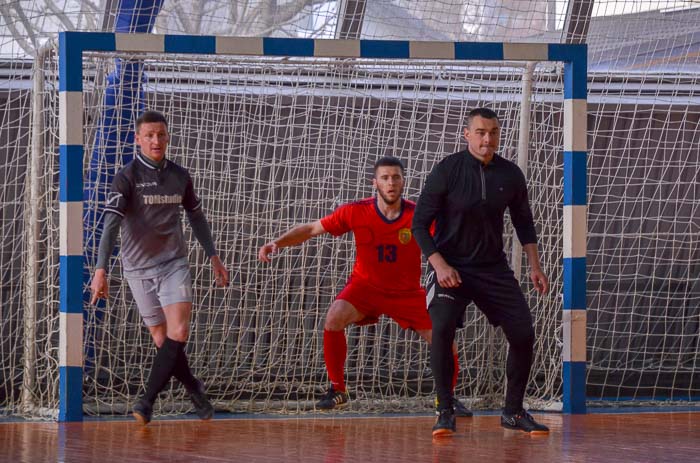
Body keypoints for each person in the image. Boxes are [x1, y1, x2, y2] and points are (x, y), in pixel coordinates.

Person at [258, 156, 470, 415]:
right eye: (385, 178)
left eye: (395, 177)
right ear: (375, 182)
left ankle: (446, 399)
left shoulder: (419, 215)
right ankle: (338, 390)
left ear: (404, 181)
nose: (390, 183)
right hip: (365, 288)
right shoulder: (355, 211)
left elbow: (451, 239)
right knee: (334, 317)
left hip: (407, 293)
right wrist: (277, 243)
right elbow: (313, 228)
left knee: (446, 341)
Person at [412, 107, 550, 437]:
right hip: (451, 268)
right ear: (467, 135)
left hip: (492, 269)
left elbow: (524, 224)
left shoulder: (511, 175)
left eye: (493, 132)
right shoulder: (448, 170)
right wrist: (440, 265)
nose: (488, 138)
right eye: (481, 132)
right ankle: (444, 410)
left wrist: (535, 266)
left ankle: (513, 412)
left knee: (523, 333)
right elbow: (419, 225)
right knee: (442, 326)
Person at [90, 110, 230, 425]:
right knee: (161, 339)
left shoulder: (180, 176)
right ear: (138, 139)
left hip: (173, 263)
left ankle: (146, 402)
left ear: (167, 137)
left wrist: (214, 256)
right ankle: (194, 387)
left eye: (161, 134)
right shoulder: (126, 177)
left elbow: (196, 216)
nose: (156, 140)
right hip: (138, 268)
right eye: (149, 135)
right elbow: (111, 224)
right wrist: (101, 270)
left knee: (178, 331)